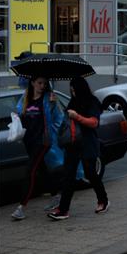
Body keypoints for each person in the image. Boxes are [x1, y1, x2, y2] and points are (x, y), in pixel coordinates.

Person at [46, 77, 108, 220]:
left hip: (88, 143)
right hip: (73, 143)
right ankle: (63, 209)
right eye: (71, 90)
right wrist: (54, 104)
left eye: (74, 90)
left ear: (81, 89)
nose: (73, 93)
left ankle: (103, 200)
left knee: (90, 173)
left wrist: (77, 116)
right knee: (69, 176)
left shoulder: (93, 102)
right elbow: (66, 119)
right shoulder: (73, 102)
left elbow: (94, 123)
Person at [12, 76, 64, 220]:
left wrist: (53, 105)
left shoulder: (49, 98)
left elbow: (58, 119)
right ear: (33, 83)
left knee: (30, 171)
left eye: (44, 83)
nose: (42, 86)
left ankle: (21, 207)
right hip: (29, 141)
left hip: (43, 141)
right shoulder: (25, 97)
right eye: (39, 83)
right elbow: (19, 114)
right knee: (42, 169)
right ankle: (56, 196)